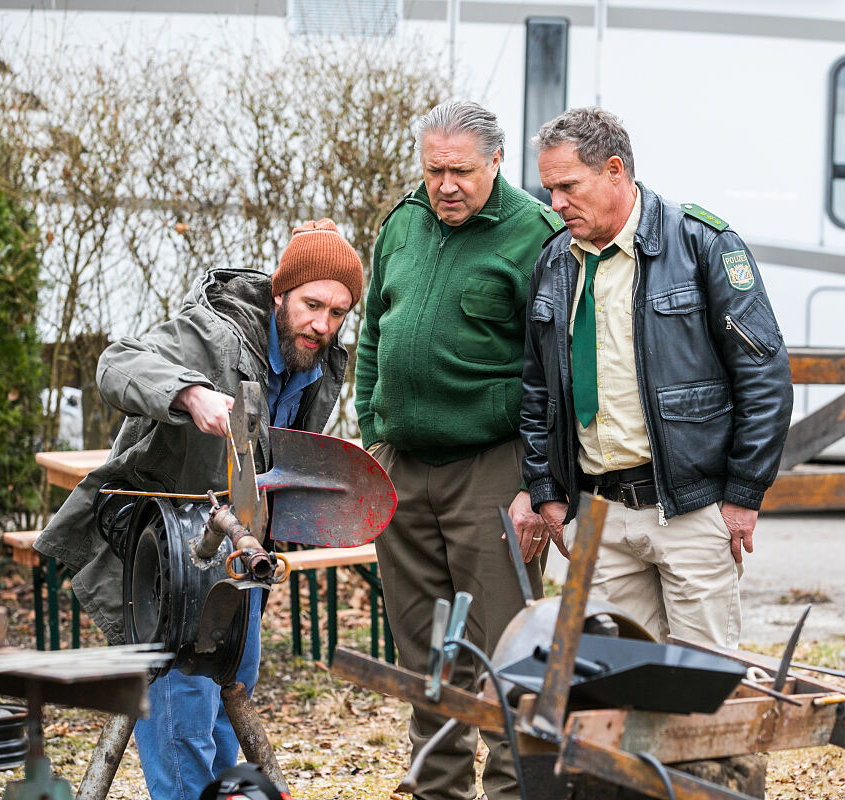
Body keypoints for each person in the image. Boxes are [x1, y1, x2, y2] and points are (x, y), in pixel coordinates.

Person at [34, 219, 363, 800]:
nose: (323, 324)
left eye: (338, 312)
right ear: (279, 293)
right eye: (312, 304)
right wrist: (189, 393)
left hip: (238, 563)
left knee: (230, 704)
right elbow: (115, 364)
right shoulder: (210, 334)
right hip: (168, 563)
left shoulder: (315, 359)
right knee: (183, 726)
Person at [517, 107, 793, 648]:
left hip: (690, 510)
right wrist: (546, 489)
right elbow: (537, 390)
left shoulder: (701, 244)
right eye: (549, 189)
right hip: (595, 512)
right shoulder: (553, 262)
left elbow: (765, 378)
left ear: (615, 170)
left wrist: (744, 493)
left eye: (568, 186)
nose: (555, 204)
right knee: (611, 687)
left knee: (702, 684)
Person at [355, 100, 564, 800]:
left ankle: (514, 792)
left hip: (493, 468)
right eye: (434, 169)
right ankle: (439, 790)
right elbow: (373, 338)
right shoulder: (404, 223)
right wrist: (371, 436)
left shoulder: (535, 235)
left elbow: (555, 371)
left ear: (496, 163)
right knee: (423, 656)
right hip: (403, 471)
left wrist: (541, 484)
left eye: (462, 171)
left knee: (509, 651)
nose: (445, 185)